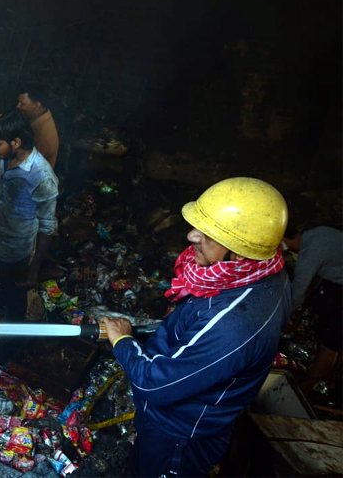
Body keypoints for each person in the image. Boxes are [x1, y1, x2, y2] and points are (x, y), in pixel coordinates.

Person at [100, 177, 291, 478]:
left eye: (208, 234)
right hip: (189, 421)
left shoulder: (232, 325)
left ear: (239, 252)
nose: (191, 236)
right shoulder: (271, 272)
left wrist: (123, 340)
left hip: (179, 437)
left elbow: (155, 386)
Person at [0, 113, 58, 321]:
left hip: (16, 247)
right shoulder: (2, 157)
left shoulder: (41, 176)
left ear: (16, 142)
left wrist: (34, 269)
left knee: (14, 295)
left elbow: (47, 225)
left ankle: (14, 341)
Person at [282, 225, 343, 393]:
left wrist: (282, 317)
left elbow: (297, 294)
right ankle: (330, 381)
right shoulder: (319, 232)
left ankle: (303, 393)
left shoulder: (310, 252)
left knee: (330, 344)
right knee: (337, 343)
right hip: (338, 284)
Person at [16, 89, 60, 168]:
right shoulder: (36, 121)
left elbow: (29, 166)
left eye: (22, 104)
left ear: (37, 105)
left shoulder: (44, 134)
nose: (18, 106)